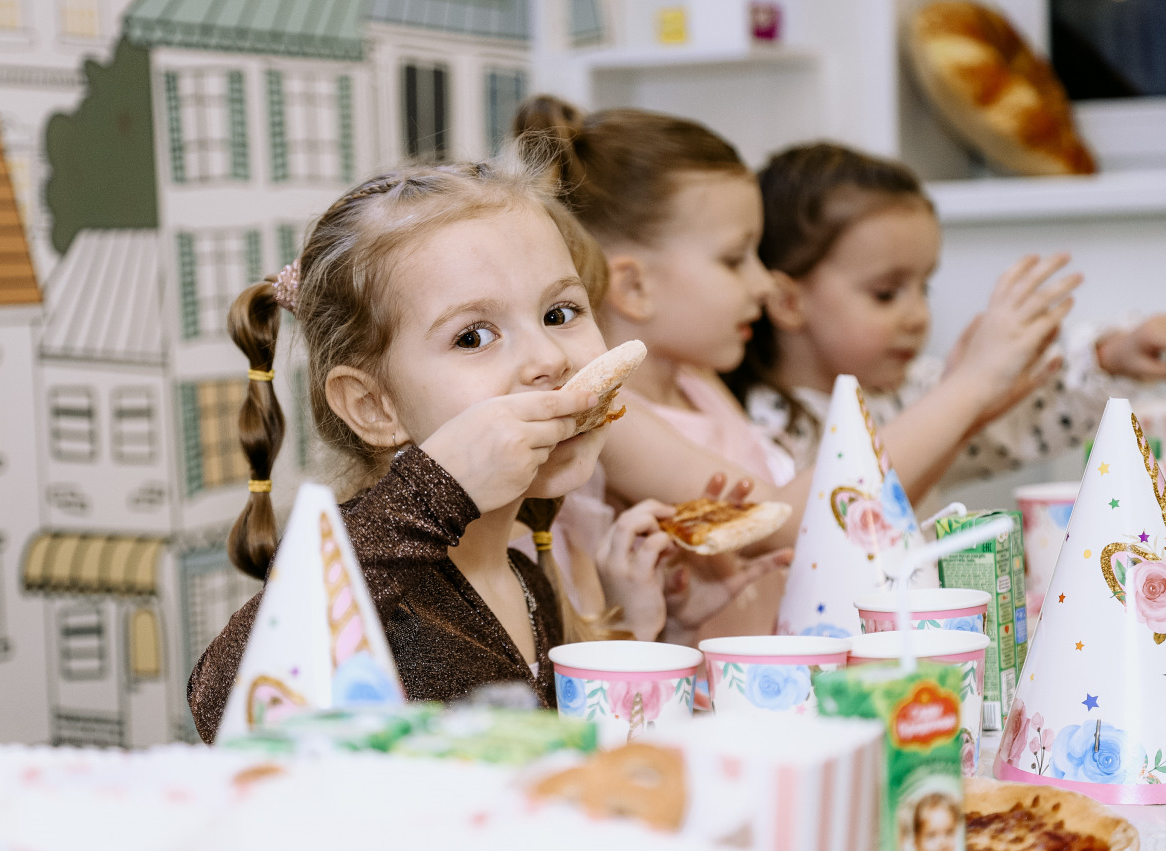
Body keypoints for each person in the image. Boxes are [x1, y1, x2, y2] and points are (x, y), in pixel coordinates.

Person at [186, 160, 783, 743]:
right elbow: (223, 700)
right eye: (473, 336)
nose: (549, 359)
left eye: (560, 313)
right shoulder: (374, 570)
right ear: (374, 406)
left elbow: (559, 774)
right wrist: (433, 490)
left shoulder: (526, 577)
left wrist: (648, 632)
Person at [514, 97, 1079, 635]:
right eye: (736, 259)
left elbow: (842, 527)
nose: (763, 284)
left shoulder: (699, 384)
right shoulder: (608, 416)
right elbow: (790, 523)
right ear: (634, 285)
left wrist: (966, 415)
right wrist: (967, 391)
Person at [723, 142, 1166, 506]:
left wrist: (1113, 356)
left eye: (924, 288)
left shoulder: (912, 391)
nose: (917, 316)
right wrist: (969, 386)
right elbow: (833, 519)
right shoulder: (759, 429)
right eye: (885, 293)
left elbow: (1025, 411)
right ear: (786, 302)